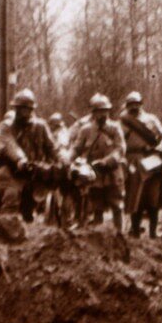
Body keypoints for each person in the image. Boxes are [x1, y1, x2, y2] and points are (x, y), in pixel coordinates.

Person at [0, 89, 57, 221]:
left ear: (32, 110)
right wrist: (20, 159)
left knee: (33, 203)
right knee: (11, 196)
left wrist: (64, 159)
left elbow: (52, 148)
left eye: (27, 109)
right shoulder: (6, 126)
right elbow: (10, 144)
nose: (23, 113)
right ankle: (6, 227)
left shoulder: (41, 126)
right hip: (11, 171)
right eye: (20, 109)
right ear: (15, 109)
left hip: (34, 172)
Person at [69, 94, 127, 231]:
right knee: (96, 205)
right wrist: (68, 159)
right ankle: (98, 236)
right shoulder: (86, 130)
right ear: (93, 113)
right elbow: (76, 148)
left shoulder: (115, 128)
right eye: (99, 111)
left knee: (117, 204)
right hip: (94, 174)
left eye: (105, 111)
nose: (102, 114)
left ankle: (120, 233)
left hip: (112, 172)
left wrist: (107, 161)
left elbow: (121, 148)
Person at [120, 91, 162, 238]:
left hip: (151, 159)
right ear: (127, 106)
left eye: (136, 103)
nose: (134, 107)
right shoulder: (122, 121)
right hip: (132, 160)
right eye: (131, 104)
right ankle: (135, 231)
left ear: (141, 104)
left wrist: (159, 148)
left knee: (153, 197)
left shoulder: (151, 119)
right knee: (136, 197)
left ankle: (153, 233)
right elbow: (118, 142)